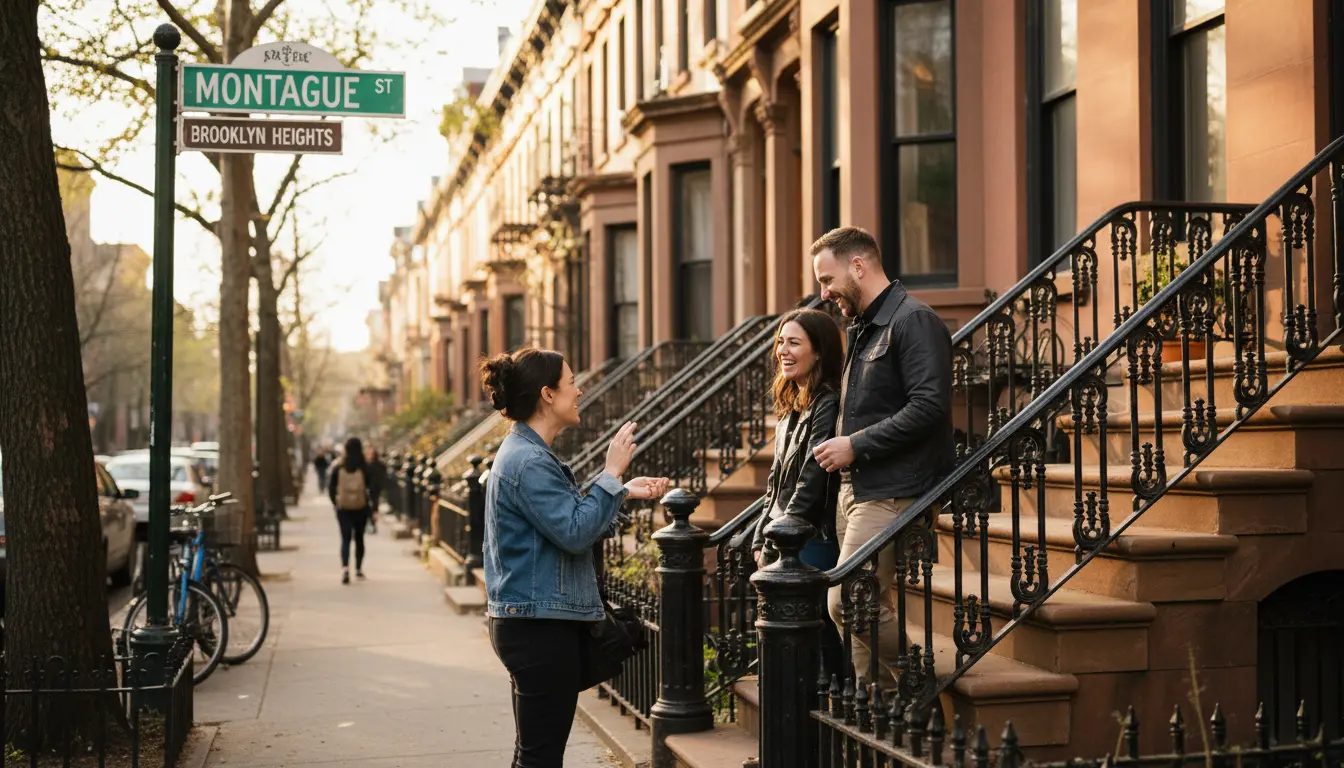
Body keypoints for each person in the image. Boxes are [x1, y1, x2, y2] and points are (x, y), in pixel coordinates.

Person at [480, 347, 670, 768]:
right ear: (548, 394)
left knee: (532, 754)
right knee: (540, 757)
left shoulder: (527, 455)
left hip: (532, 621)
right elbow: (574, 532)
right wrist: (611, 473)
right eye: (571, 383)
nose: (579, 390)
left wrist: (620, 490)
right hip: (538, 628)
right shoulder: (528, 461)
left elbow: (566, 524)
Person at [809, 226, 954, 691]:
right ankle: (882, 720)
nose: (825, 293)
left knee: (847, 602)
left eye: (828, 280)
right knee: (865, 614)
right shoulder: (865, 326)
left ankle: (918, 682)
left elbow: (929, 407)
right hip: (857, 489)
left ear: (858, 266)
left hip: (893, 488)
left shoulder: (914, 321)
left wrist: (856, 444)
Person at [749, 307, 847, 682]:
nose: (782, 351)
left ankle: (834, 702)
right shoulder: (792, 406)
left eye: (794, 342)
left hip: (811, 536)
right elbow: (776, 482)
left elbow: (812, 474)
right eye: (780, 342)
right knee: (790, 631)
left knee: (819, 627)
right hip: (785, 533)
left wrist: (782, 536)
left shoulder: (828, 401)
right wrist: (761, 535)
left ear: (818, 351)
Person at [327, 437, 373, 584]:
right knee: (359, 538)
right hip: (361, 507)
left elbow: (331, 487)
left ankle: (345, 568)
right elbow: (371, 486)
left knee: (345, 538)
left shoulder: (339, 466)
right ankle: (358, 569)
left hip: (344, 508)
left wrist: (336, 502)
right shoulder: (364, 466)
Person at [366, 447, 387, 534]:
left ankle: (372, 523)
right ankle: (372, 523)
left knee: (372, 506)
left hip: (372, 488)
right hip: (375, 488)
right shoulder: (380, 465)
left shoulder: (368, 465)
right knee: (374, 506)